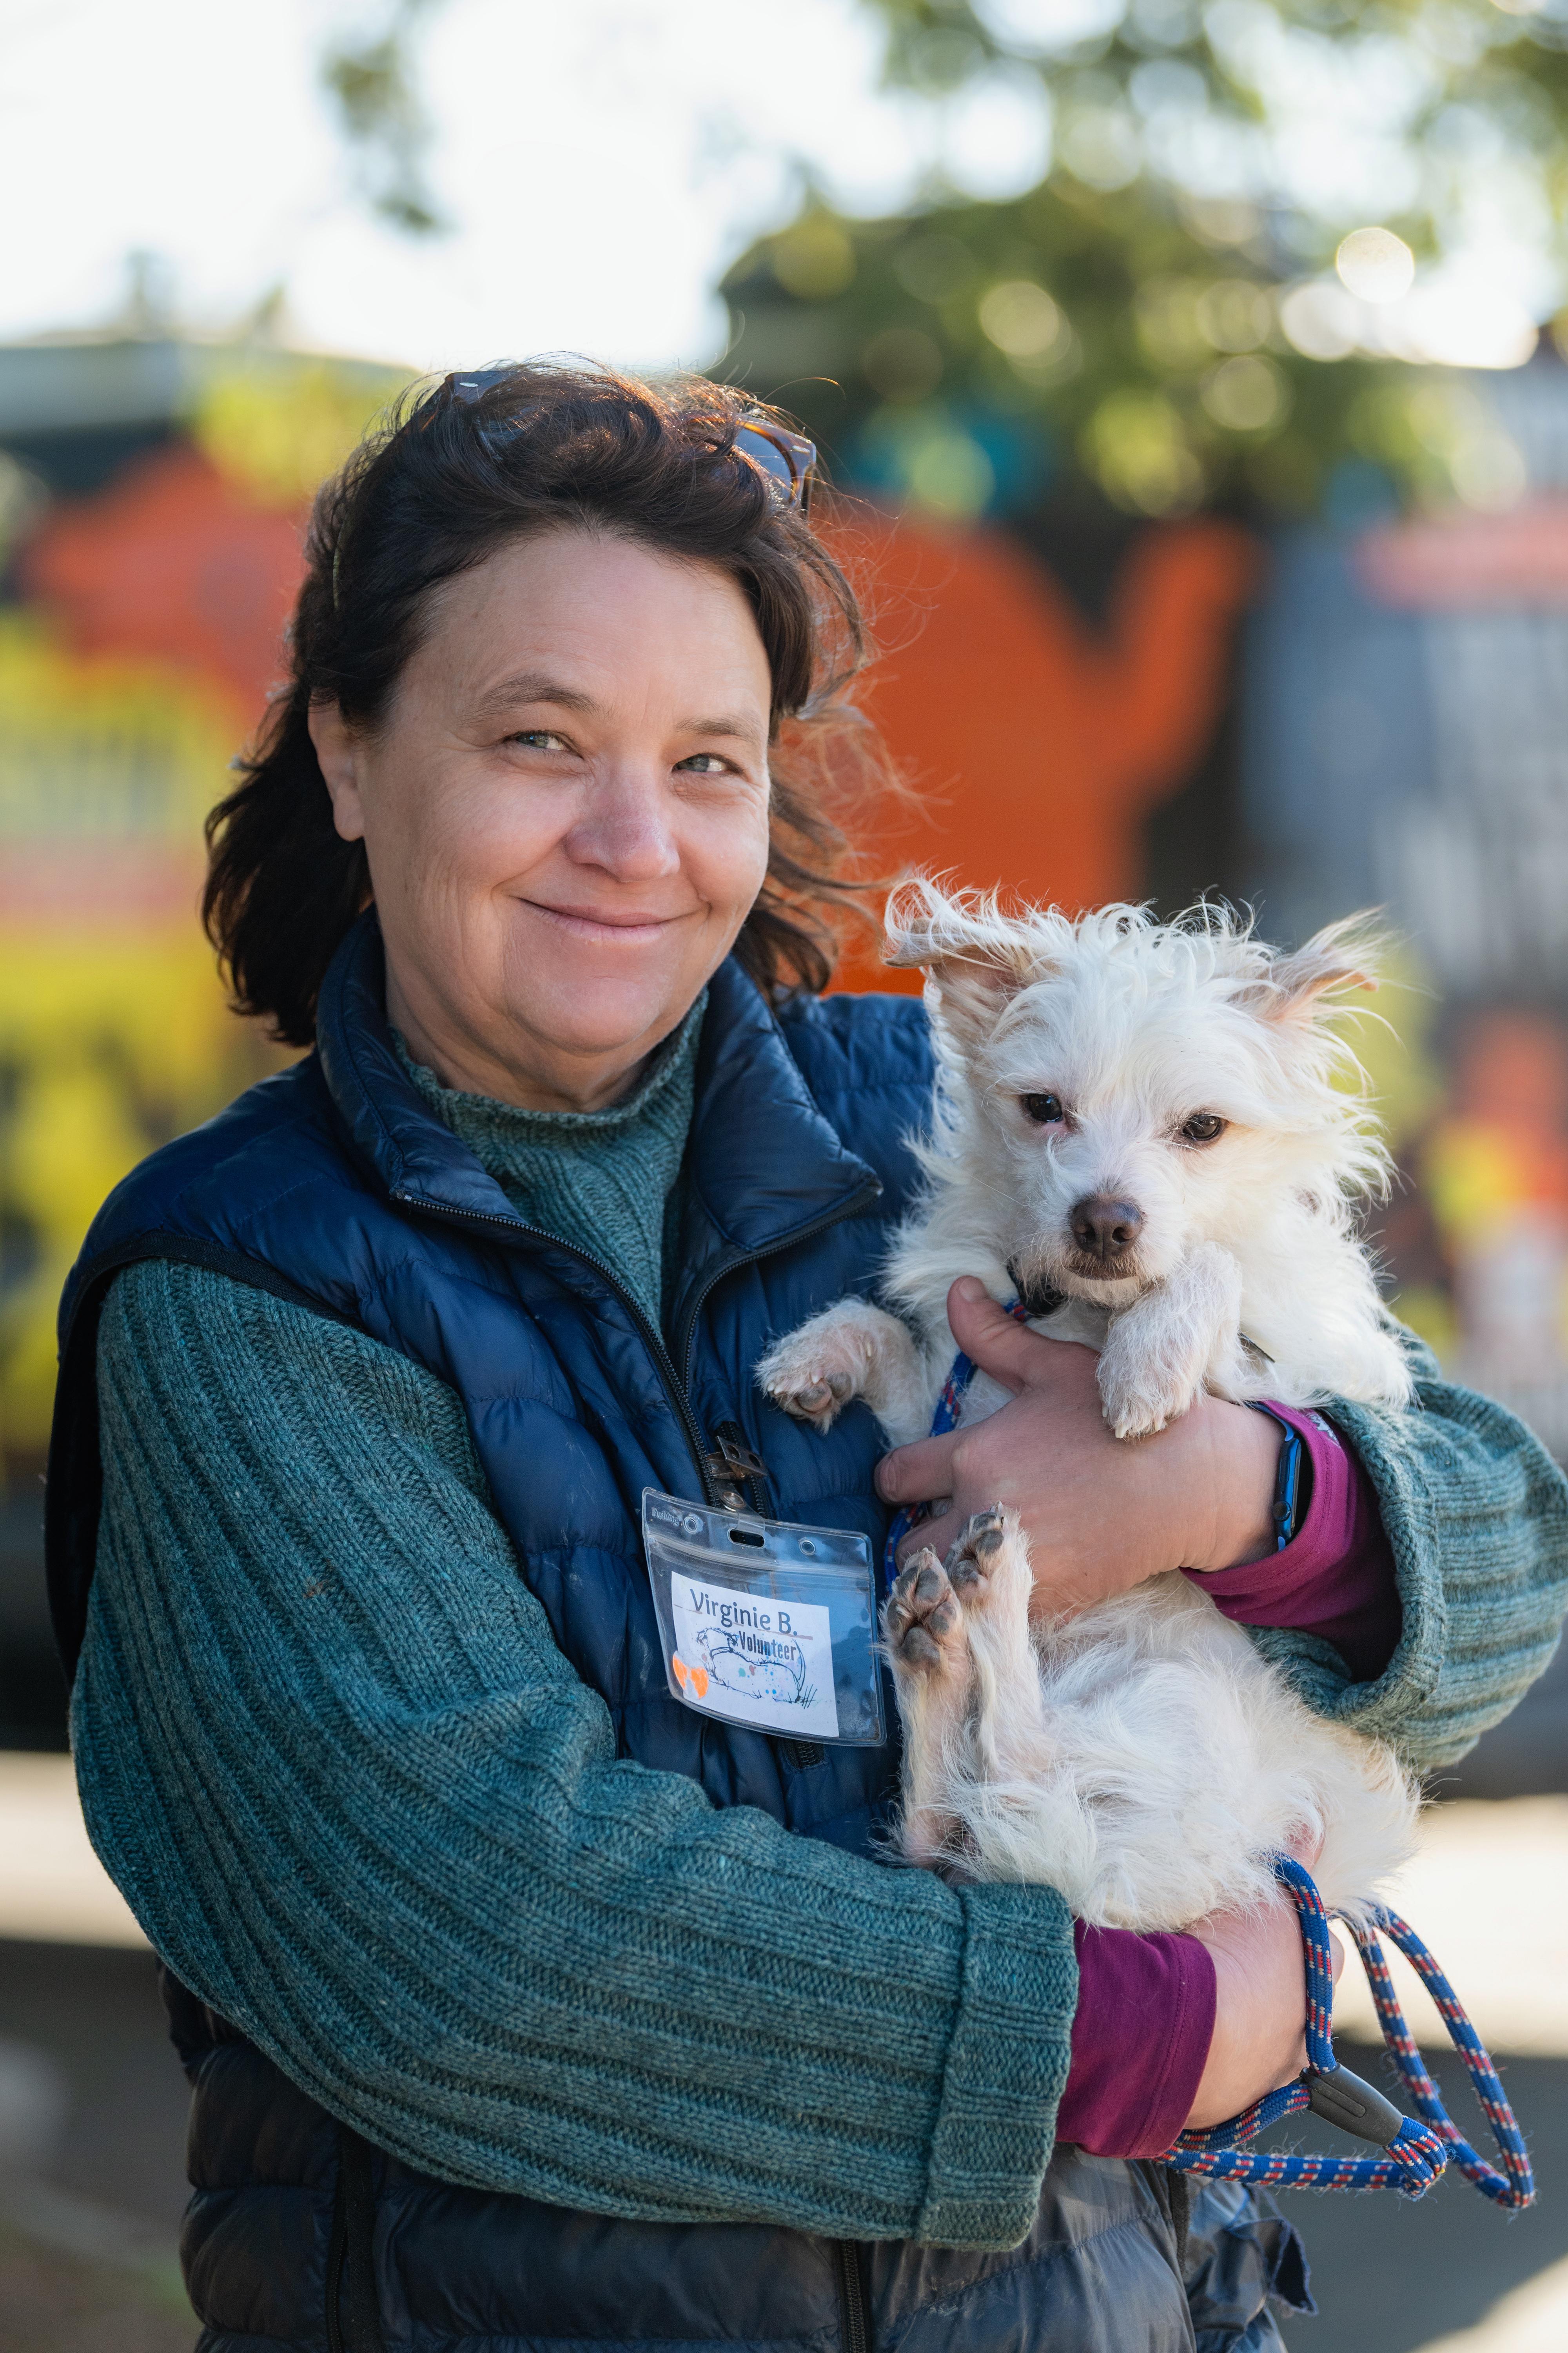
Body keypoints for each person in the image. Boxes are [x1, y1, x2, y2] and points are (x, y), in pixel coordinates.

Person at [47, 363, 1568, 2353]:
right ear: (348, 750)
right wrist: (1140, 2028)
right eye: (538, 740)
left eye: (708, 761)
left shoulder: (957, 1120)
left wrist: (1234, 1493)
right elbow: (487, 1947)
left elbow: (1509, 1549)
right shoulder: (247, 1288)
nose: (633, 839)